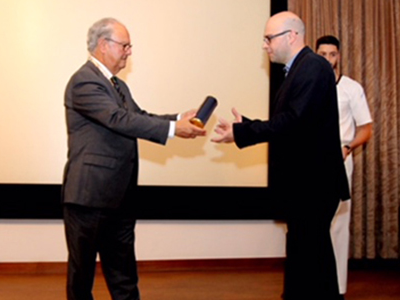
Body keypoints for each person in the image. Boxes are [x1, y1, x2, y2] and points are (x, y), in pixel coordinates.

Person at [62, 17, 206, 300]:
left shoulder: (116, 85)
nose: (129, 51)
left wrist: (178, 119)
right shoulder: (84, 81)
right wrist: (175, 130)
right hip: (89, 197)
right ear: (104, 45)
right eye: (124, 45)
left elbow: (137, 118)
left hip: (120, 197)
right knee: (82, 281)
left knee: (124, 277)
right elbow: (118, 119)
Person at [211, 11, 349, 300]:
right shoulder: (299, 69)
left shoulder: (312, 68)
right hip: (307, 184)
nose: (265, 45)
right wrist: (245, 127)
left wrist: (242, 133)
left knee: (310, 256)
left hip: (314, 184)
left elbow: (293, 122)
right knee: (308, 255)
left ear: (291, 36)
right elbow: (290, 122)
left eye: (268, 38)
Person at [316, 35, 373, 298]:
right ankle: (309, 284)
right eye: (322, 54)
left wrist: (347, 148)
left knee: (337, 225)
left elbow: (366, 128)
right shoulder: (309, 85)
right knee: (309, 225)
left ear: (339, 57)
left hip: (340, 160)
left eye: (332, 54)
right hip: (309, 161)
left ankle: (337, 289)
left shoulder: (351, 88)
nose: (328, 59)